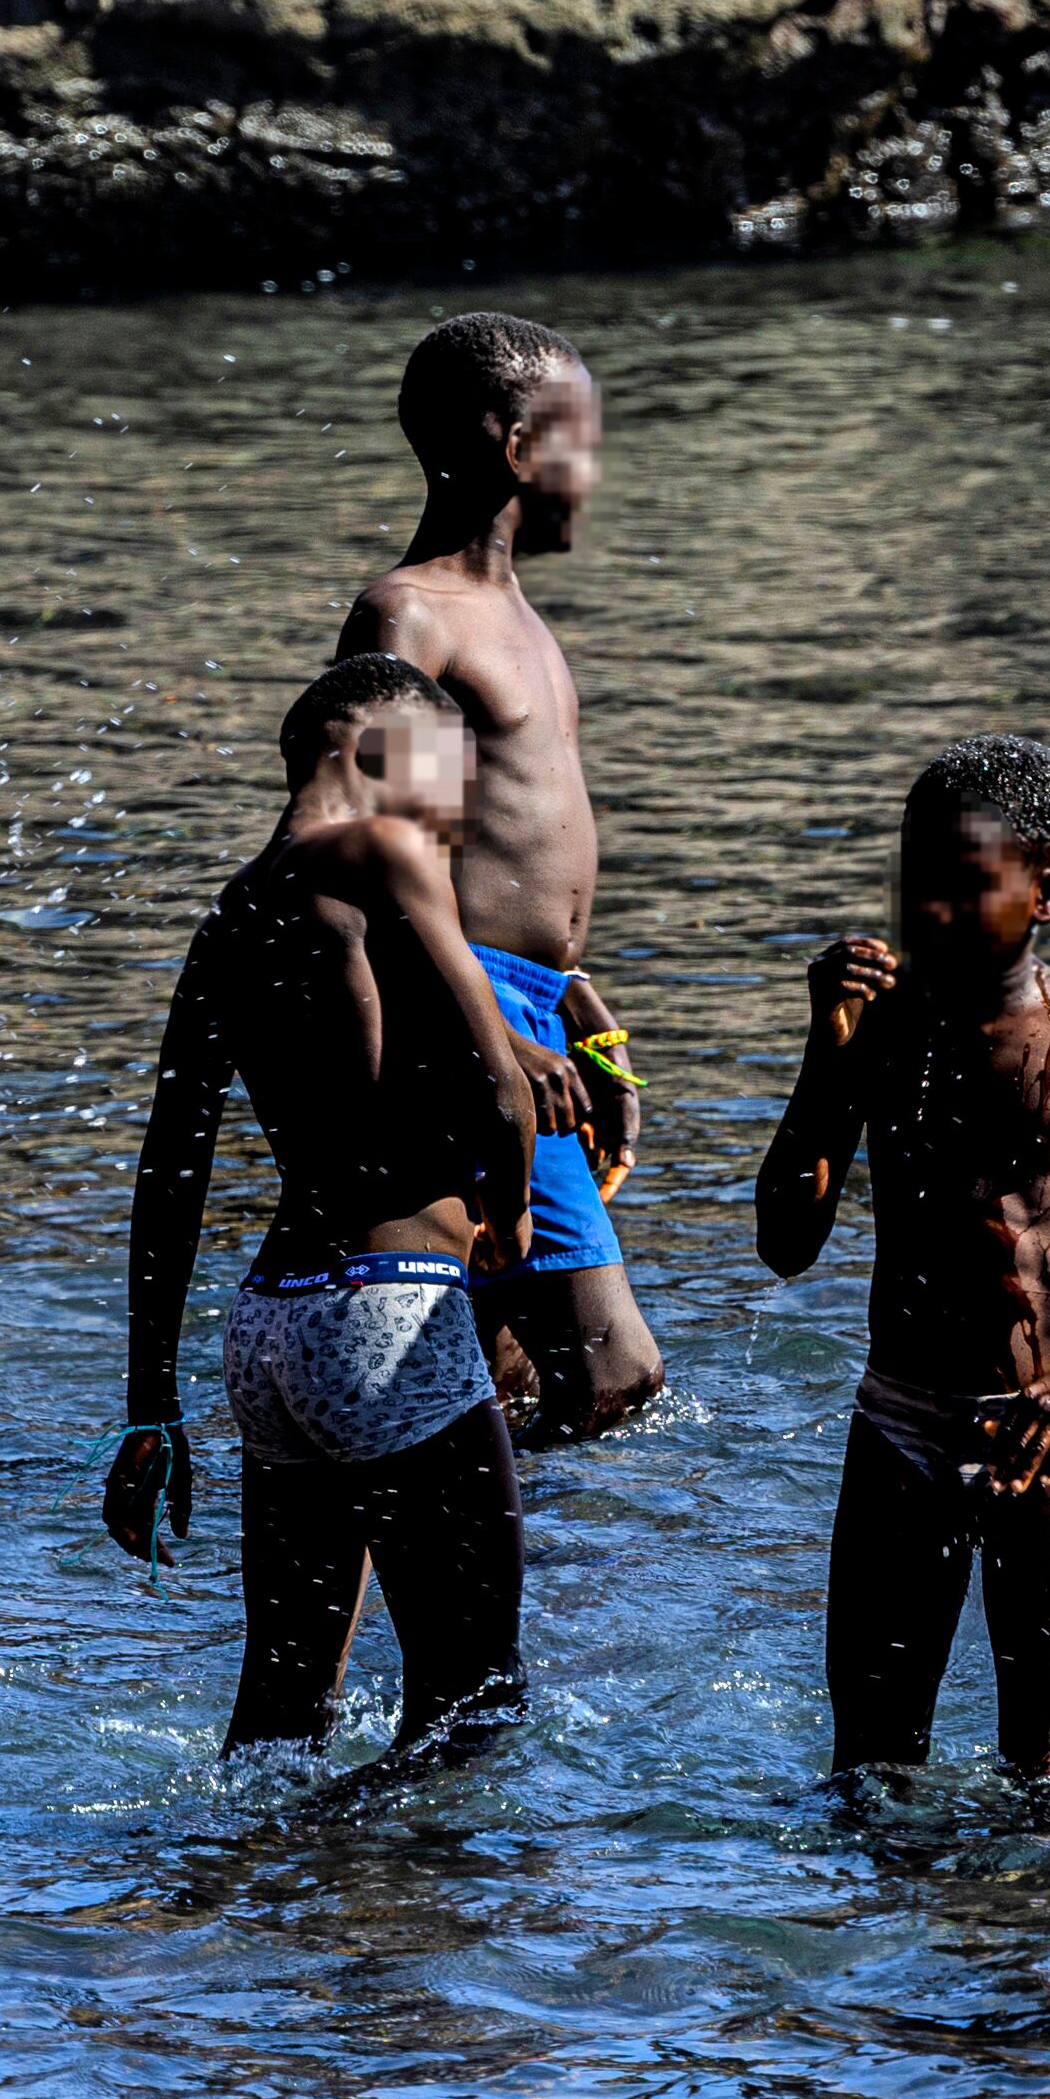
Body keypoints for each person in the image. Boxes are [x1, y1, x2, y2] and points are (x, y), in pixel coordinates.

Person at [754, 736, 1050, 1786]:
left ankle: (1021, 1950)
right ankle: (884, 1949)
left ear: (1046, 891)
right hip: (897, 1428)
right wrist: (819, 1048)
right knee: (868, 1774)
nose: (925, 913)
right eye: (911, 884)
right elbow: (784, 1244)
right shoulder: (877, 1030)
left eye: (961, 887)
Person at [103, 654, 541, 1758]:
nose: (457, 807)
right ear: (370, 752)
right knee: (473, 1703)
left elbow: (170, 1173)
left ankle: (246, 1887)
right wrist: (509, 1251)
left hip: (270, 1333)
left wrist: (149, 1406)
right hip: (390, 1307)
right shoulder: (381, 850)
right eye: (447, 773)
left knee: (279, 1711)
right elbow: (500, 1093)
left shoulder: (230, 914)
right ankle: (378, 1898)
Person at [336, 311, 664, 1440]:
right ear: (516, 446)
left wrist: (564, 996)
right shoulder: (411, 616)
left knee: (493, 1364)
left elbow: (508, 841)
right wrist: (496, 1035)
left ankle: (479, 1578)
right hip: (461, 1003)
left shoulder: (516, 617)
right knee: (612, 1373)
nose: (594, 473)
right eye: (580, 441)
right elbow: (385, 856)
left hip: (521, 1003)